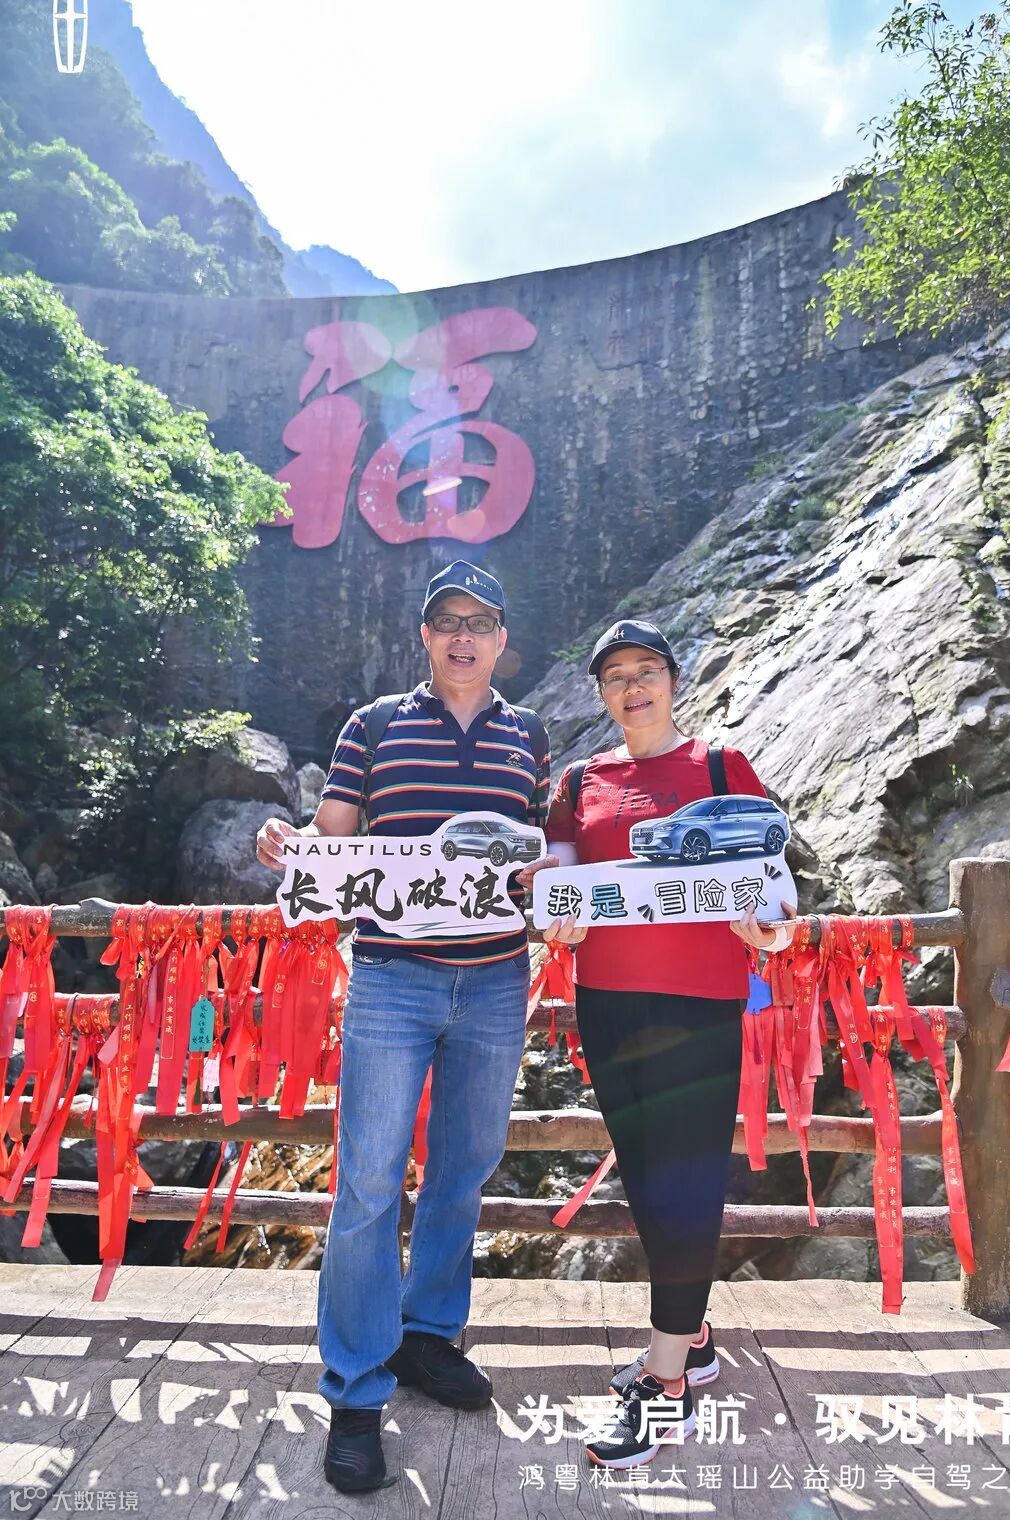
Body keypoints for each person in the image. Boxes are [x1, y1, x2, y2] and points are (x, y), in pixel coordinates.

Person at [256, 560, 550, 1495]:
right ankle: (355, 1387)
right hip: (391, 979)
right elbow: (336, 835)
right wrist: (293, 845)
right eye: (446, 621)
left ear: (502, 639)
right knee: (371, 1181)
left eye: (480, 622)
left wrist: (552, 880)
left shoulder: (529, 736)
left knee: (464, 1168)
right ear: (425, 636)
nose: (463, 636)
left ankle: (427, 1336)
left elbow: (542, 853)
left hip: (497, 979)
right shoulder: (374, 726)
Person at [522, 618, 796, 1471]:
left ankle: (666, 1381)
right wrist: (554, 916)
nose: (632, 687)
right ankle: (694, 1336)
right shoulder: (579, 782)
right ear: (601, 694)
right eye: (615, 676)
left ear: (674, 680)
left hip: (700, 1002)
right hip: (607, 1002)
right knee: (645, 1174)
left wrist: (770, 930)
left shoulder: (720, 768)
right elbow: (557, 884)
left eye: (646, 670)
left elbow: (777, 891)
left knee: (686, 1181)